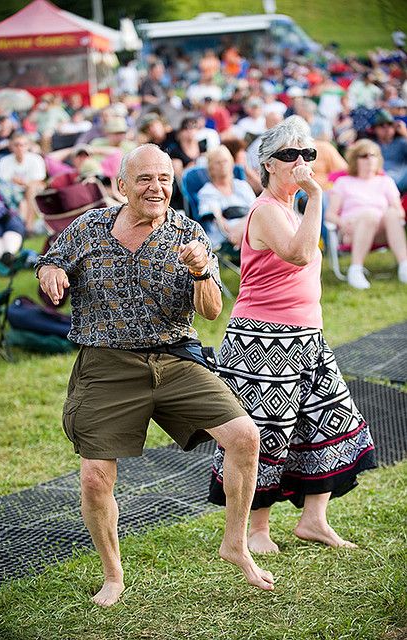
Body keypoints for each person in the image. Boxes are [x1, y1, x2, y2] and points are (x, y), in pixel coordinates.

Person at [36, 144, 274, 607]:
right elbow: (52, 259)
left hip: (174, 359)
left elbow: (210, 311)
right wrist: (49, 271)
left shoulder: (188, 232)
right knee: (94, 478)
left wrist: (203, 271)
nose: (156, 187)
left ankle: (235, 543)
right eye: (144, 178)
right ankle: (113, 574)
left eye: (164, 178)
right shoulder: (90, 227)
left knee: (244, 435)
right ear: (121, 186)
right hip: (107, 365)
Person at [208, 116, 377, 553]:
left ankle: (313, 520)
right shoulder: (265, 210)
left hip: (307, 337)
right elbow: (300, 254)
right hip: (263, 340)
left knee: (330, 424)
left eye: (307, 154)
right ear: (269, 165)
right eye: (289, 155)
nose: (301, 162)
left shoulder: (290, 208)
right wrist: (317, 194)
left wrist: (309, 200)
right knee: (265, 437)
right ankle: (257, 531)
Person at [325, 138, 407, 289]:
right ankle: (355, 269)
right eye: (364, 155)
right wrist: (342, 223)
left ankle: (404, 266)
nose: (369, 159)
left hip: (382, 230)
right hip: (352, 230)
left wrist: (394, 213)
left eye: (373, 155)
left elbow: (399, 211)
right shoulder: (343, 182)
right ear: (355, 159)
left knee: (391, 213)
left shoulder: (386, 181)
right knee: (369, 215)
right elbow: (330, 214)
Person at [197, 145, 256, 249]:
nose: (222, 165)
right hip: (224, 237)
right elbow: (219, 221)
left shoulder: (242, 186)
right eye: (218, 162)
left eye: (225, 161)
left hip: (248, 229)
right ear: (210, 167)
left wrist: (241, 226)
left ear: (232, 163)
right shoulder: (207, 192)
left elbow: (256, 210)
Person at [0, 132, 46, 234]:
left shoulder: (36, 159)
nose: (20, 148)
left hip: (33, 190)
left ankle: (28, 225)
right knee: (23, 200)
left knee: (30, 189)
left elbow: (39, 181)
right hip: (13, 193)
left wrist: (21, 182)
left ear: (27, 146)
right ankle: (24, 228)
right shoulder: (4, 161)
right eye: (16, 145)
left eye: (22, 145)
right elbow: (2, 183)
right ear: (11, 146)